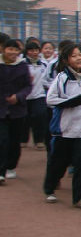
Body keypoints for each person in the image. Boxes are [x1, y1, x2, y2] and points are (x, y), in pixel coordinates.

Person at [43, 43, 81, 207]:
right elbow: (50, 100)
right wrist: (72, 102)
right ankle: (49, 188)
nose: (79, 58)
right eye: (74, 56)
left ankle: (79, 197)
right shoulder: (62, 78)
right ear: (67, 60)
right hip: (64, 129)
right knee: (59, 162)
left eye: (80, 55)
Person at [0, 37, 32, 184]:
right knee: (2, 140)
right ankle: (1, 171)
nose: (12, 52)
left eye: (15, 49)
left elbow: (28, 86)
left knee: (14, 141)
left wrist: (18, 97)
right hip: (1, 109)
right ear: (4, 50)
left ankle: (11, 166)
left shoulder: (22, 66)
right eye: (9, 49)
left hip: (17, 110)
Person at [22, 40, 50, 151]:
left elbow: (47, 79)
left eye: (36, 50)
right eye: (31, 50)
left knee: (40, 116)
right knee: (25, 118)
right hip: (25, 96)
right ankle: (23, 139)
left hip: (39, 95)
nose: (34, 52)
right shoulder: (22, 63)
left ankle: (39, 140)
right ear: (27, 51)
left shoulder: (44, 64)